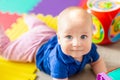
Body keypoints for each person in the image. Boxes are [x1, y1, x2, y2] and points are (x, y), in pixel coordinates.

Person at [0, 6, 107, 80]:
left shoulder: (90, 48)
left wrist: (103, 76)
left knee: (38, 26)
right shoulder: (58, 62)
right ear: (59, 38)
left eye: (83, 36)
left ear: (91, 37)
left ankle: (29, 16)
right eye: (69, 37)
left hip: (47, 34)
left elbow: (97, 62)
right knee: (4, 49)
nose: (77, 43)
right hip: (33, 47)